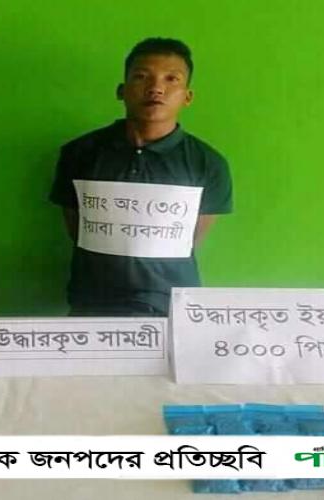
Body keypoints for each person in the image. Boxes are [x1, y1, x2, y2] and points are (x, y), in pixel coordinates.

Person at [49, 37, 233, 316]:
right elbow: (77, 229)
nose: (156, 88)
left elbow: (190, 239)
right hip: (91, 304)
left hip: (171, 308)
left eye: (171, 79)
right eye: (141, 76)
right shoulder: (80, 153)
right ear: (121, 91)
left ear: (187, 97)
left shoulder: (208, 164)